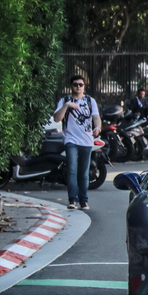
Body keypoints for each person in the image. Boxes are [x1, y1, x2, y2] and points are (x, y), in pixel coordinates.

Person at [53, 75, 101, 210]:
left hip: (86, 140)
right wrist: (67, 106)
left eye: (81, 85)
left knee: (84, 172)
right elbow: (57, 118)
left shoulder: (90, 101)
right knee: (72, 169)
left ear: (84, 86)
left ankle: (83, 200)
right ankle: (72, 200)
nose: (78, 87)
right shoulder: (65, 100)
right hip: (71, 140)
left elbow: (96, 117)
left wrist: (97, 127)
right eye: (75, 84)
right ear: (71, 86)